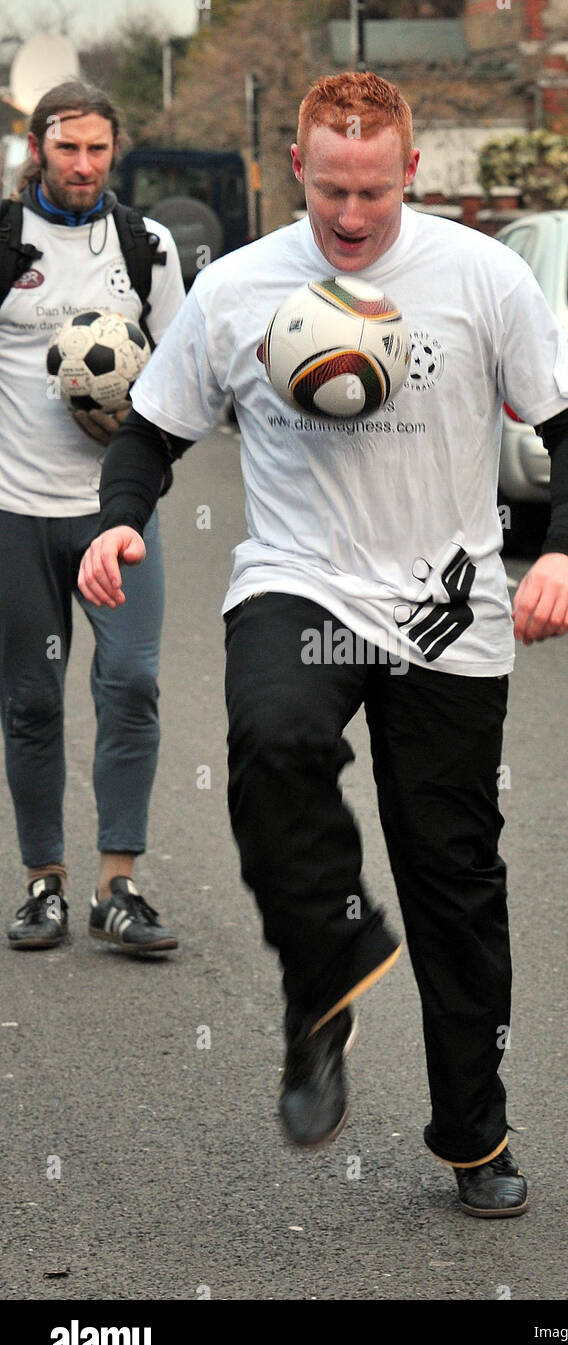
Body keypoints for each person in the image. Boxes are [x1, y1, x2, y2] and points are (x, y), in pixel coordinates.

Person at [78, 72, 568, 1216]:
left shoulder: (481, 276)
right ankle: (326, 973)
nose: (352, 216)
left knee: (453, 882)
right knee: (270, 740)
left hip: (444, 610)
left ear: (408, 172)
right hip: (301, 581)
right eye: (330, 191)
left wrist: (563, 551)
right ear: (293, 170)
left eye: (373, 191)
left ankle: (474, 1131)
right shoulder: (235, 289)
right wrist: (120, 519)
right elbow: (153, 433)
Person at [0, 81, 185, 954]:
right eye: (66, 147)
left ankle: (120, 885)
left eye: (97, 150)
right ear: (37, 146)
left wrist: (129, 418)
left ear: (116, 152)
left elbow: (185, 392)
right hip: (16, 514)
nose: (82, 164)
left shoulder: (147, 248)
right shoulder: (4, 242)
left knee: (133, 688)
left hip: (117, 519)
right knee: (32, 702)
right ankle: (45, 884)